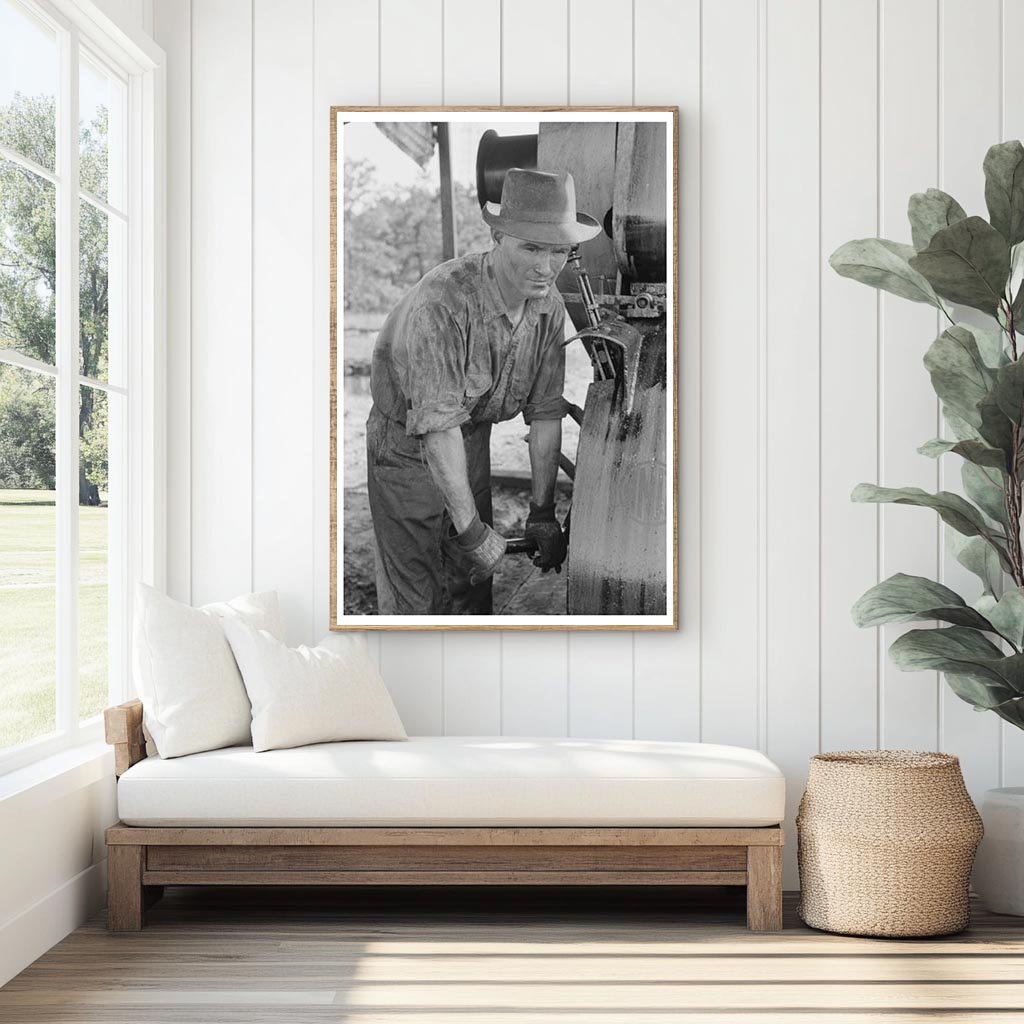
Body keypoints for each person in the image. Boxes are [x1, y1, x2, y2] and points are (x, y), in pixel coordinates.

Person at [367, 167, 601, 615]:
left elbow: (547, 413)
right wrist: (473, 530)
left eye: (557, 252)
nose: (544, 267)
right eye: (531, 247)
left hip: (470, 437)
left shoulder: (548, 308)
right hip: (405, 447)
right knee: (416, 593)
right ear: (497, 238)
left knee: (472, 582)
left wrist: (542, 512)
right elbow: (436, 431)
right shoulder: (445, 302)